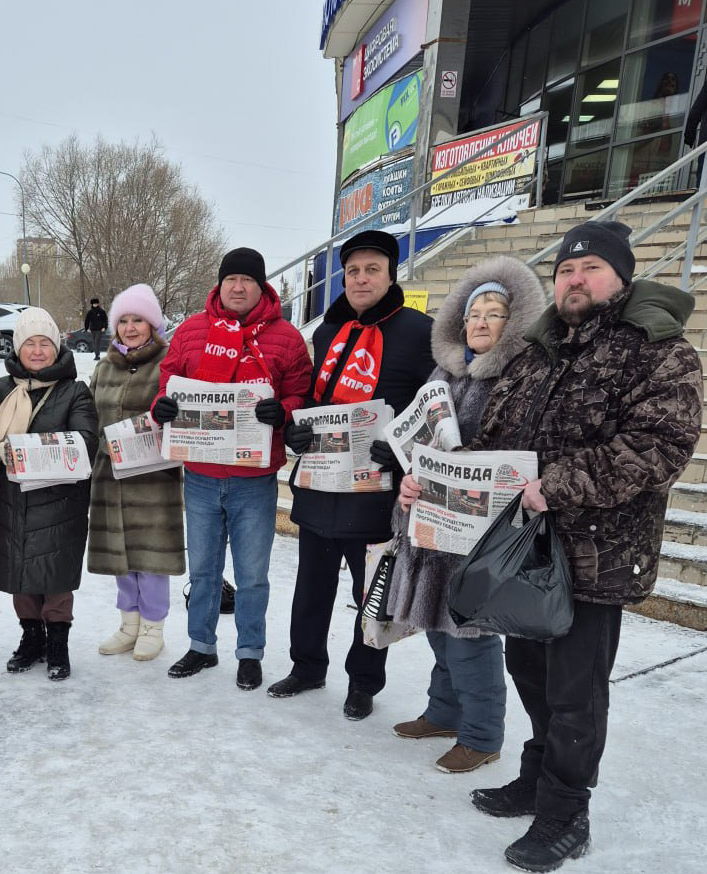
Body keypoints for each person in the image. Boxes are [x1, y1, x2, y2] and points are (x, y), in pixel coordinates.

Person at [407, 221, 700, 871]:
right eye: (566, 269)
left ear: (619, 277)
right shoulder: (538, 350)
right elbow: (494, 441)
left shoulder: (657, 349)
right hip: (525, 549)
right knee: (528, 670)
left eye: (590, 268)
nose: (574, 279)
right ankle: (536, 777)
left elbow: (657, 449)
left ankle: (566, 810)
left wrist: (555, 484)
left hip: (596, 554)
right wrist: (430, 479)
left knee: (575, 690)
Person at [385, 256, 546, 774]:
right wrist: (410, 480)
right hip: (431, 526)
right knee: (434, 625)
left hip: (480, 533)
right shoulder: (442, 373)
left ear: (514, 322)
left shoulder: (522, 377)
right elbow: (418, 444)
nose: (480, 321)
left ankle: (482, 734)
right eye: (474, 312)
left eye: (494, 312)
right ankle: (444, 711)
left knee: (471, 636)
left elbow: (522, 456)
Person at [269, 230, 433, 720]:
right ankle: (307, 665)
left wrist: (402, 447)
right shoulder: (325, 332)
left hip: (378, 491)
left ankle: (364, 681)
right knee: (311, 585)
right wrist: (298, 432)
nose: (361, 279)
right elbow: (318, 403)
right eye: (353, 271)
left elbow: (433, 405)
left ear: (390, 275)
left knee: (371, 592)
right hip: (322, 484)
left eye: (372, 270)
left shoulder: (419, 331)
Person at [151, 247, 311, 690]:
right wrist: (160, 407)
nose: (238, 287)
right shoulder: (191, 331)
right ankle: (201, 645)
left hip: (254, 479)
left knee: (252, 574)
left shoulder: (286, 337)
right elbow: (168, 385)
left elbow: (301, 393)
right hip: (201, 476)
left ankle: (249, 652)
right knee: (203, 570)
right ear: (219, 284)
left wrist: (284, 411)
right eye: (230, 279)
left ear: (262, 287)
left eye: (247, 280)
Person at [0, 307, 98, 681]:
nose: (37, 351)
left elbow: (86, 441)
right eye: (29, 344)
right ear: (18, 349)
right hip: (13, 500)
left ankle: (58, 645)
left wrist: (25, 450)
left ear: (57, 347)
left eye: (45, 343)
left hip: (59, 503)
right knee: (20, 573)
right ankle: (31, 638)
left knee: (55, 578)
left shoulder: (74, 391)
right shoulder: (1, 389)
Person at [88, 284, 185, 661]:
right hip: (109, 477)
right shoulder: (104, 366)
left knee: (150, 557)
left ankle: (153, 627)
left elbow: (181, 416)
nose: (130, 327)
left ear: (153, 324)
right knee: (120, 556)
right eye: (123, 320)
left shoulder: (167, 364)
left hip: (152, 479)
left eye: (138, 320)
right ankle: (129, 624)